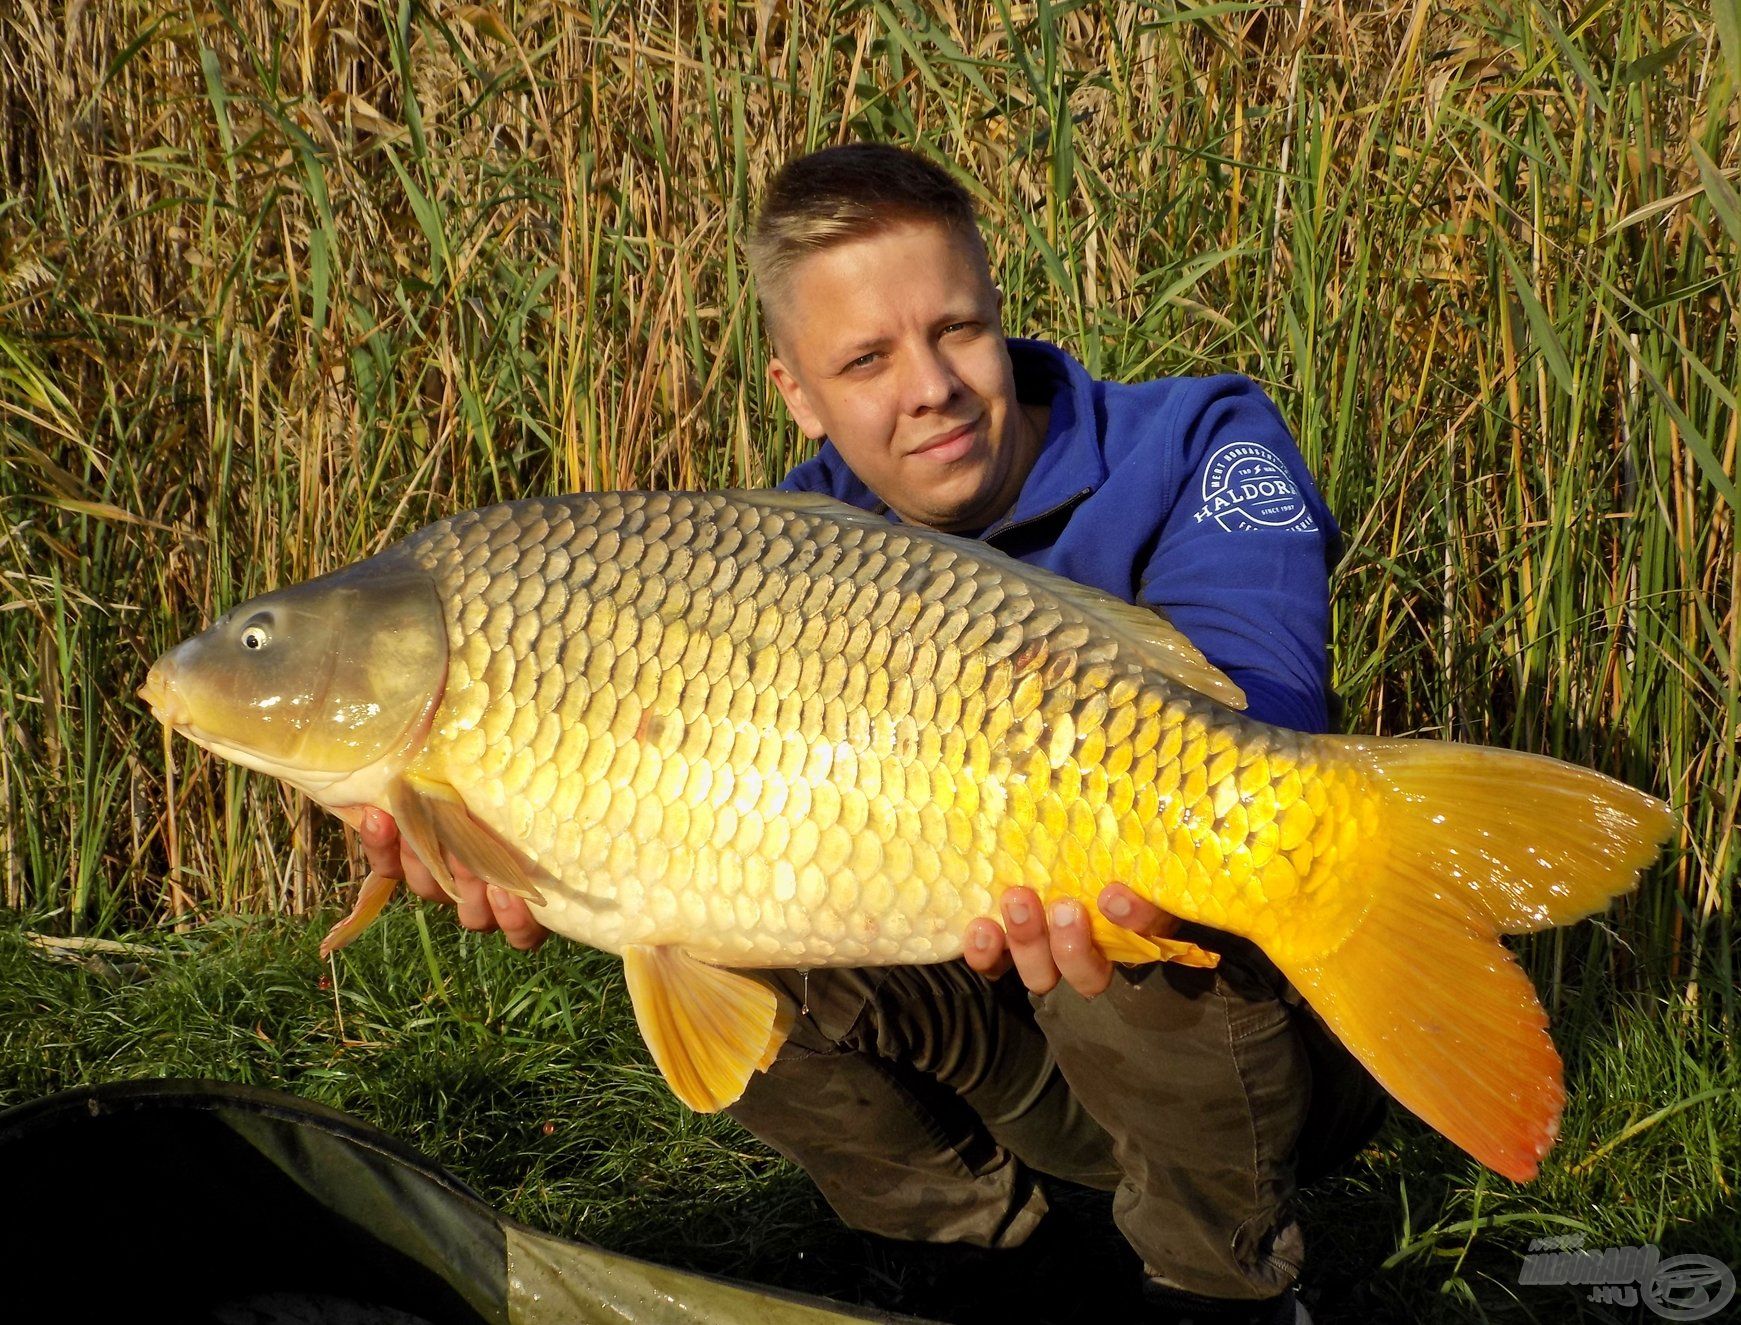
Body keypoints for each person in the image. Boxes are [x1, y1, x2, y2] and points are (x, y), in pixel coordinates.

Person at [359, 144, 1387, 1324]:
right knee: (709, 912)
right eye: (865, 359)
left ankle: (1222, 1281)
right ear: (797, 391)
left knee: (1145, 879)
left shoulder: (1196, 442)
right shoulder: (786, 548)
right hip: (1000, 1042)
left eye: (953, 329)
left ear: (999, 311)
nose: (930, 386)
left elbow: (1263, 714)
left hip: (1250, 1052)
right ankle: (967, 1248)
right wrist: (435, 797)